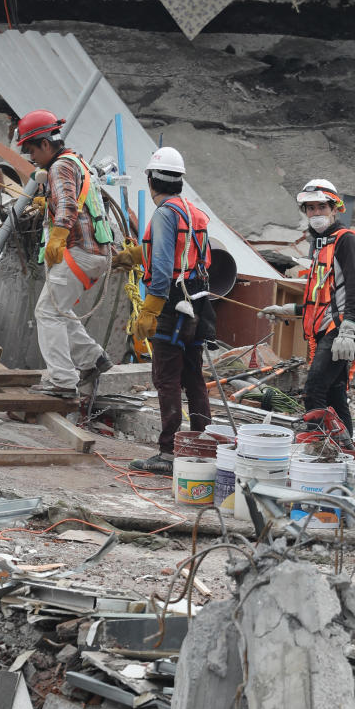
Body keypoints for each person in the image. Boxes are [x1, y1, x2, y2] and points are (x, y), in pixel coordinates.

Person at [114, 147, 215, 475]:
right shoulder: (192, 211)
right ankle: (202, 446)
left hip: (171, 303)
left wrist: (150, 310)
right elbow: (182, 256)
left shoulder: (163, 214)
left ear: (150, 179)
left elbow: (162, 268)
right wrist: (136, 255)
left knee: (166, 377)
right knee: (193, 377)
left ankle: (168, 452)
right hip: (197, 301)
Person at [15, 109, 113, 400]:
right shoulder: (77, 161)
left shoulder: (60, 167)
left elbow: (68, 205)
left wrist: (57, 237)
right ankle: (94, 359)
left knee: (47, 312)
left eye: (31, 149)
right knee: (59, 309)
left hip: (78, 251)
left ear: (46, 143)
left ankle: (62, 381)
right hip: (95, 252)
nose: (31, 157)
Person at [261, 179, 355, 435]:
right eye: (310, 208)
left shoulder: (346, 240)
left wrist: (349, 329)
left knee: (314, 391)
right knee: (334, 395)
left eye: (321, 207)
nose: (316, 213)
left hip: (340, 330)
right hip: (326, 330)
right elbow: (320, 298)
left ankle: (317, 448)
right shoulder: (321, 244)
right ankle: (345, 448)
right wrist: (287, 309)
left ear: (334, 208)